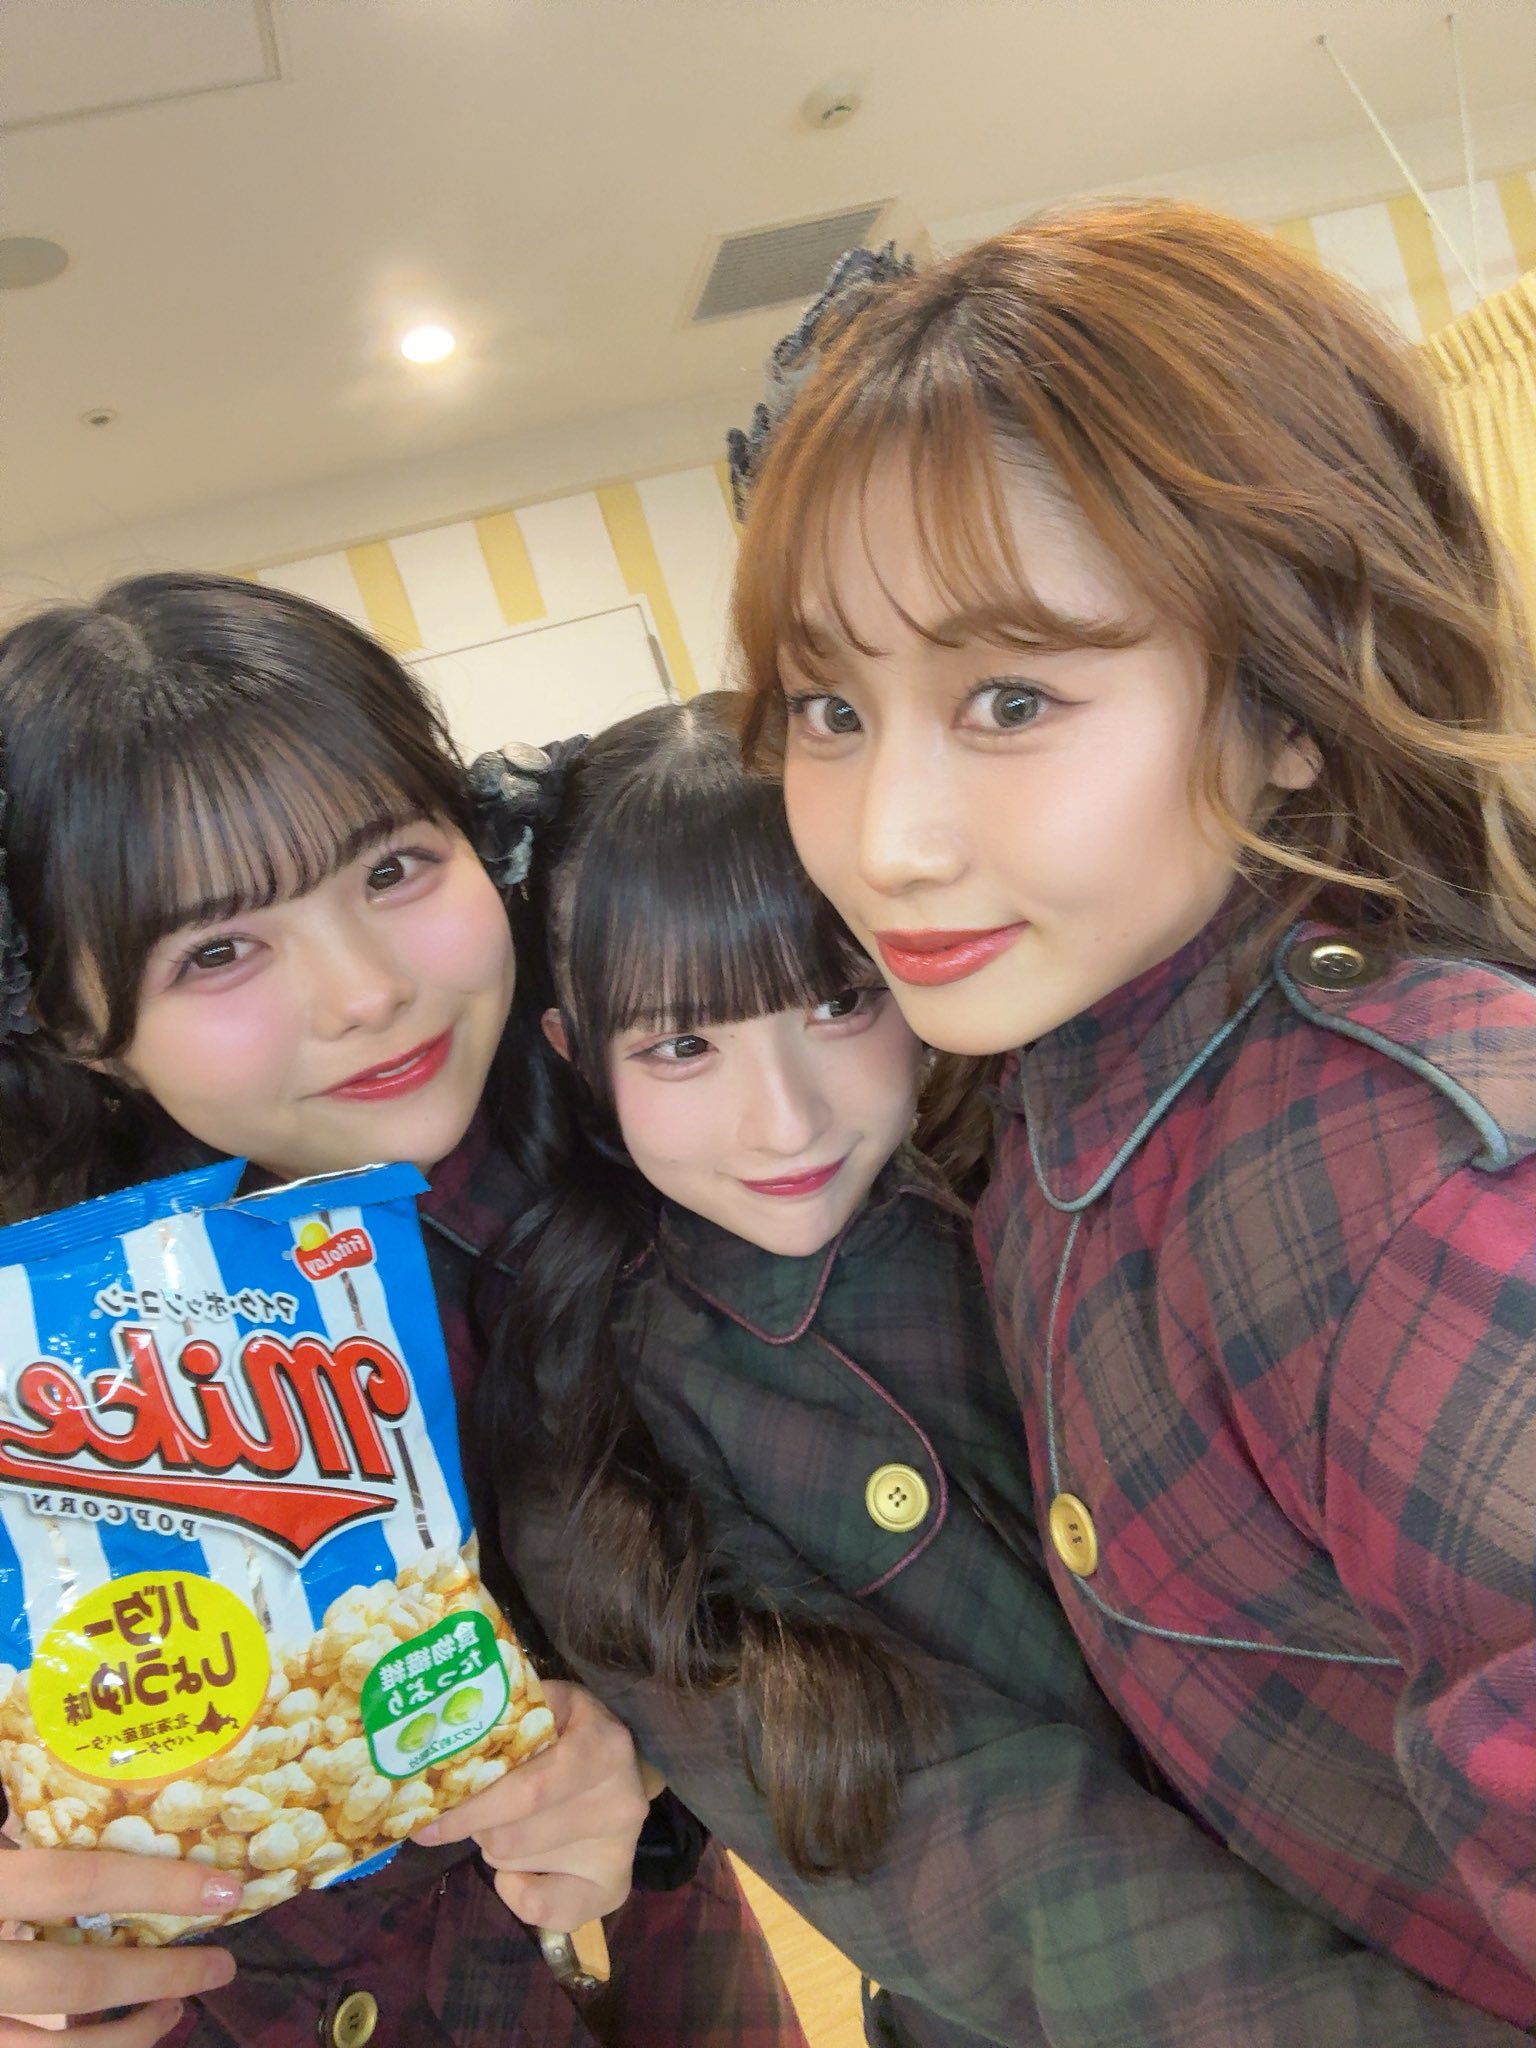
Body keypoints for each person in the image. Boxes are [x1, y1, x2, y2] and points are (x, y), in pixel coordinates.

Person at [727, 200, 1536, 2034]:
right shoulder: (1043, 1088)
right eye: (830, 710)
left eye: (1011, 700)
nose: (884, 840)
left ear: (1295, 696)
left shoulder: (1437, 1209)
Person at [456, 689, 1527, 2046]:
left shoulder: (1069, 1184)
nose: (782, 1118)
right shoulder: (599, 1431)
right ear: (578, 1058)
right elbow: (1001, 1880)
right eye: (682, 1046)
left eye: (838, 1001)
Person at [0, 573, 804, 2048]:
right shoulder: (36, 1350)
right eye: (217, 950)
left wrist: (658, 1773)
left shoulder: (671, 1139)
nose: (367, 991)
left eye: (392, 868)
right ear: (80, 1029)